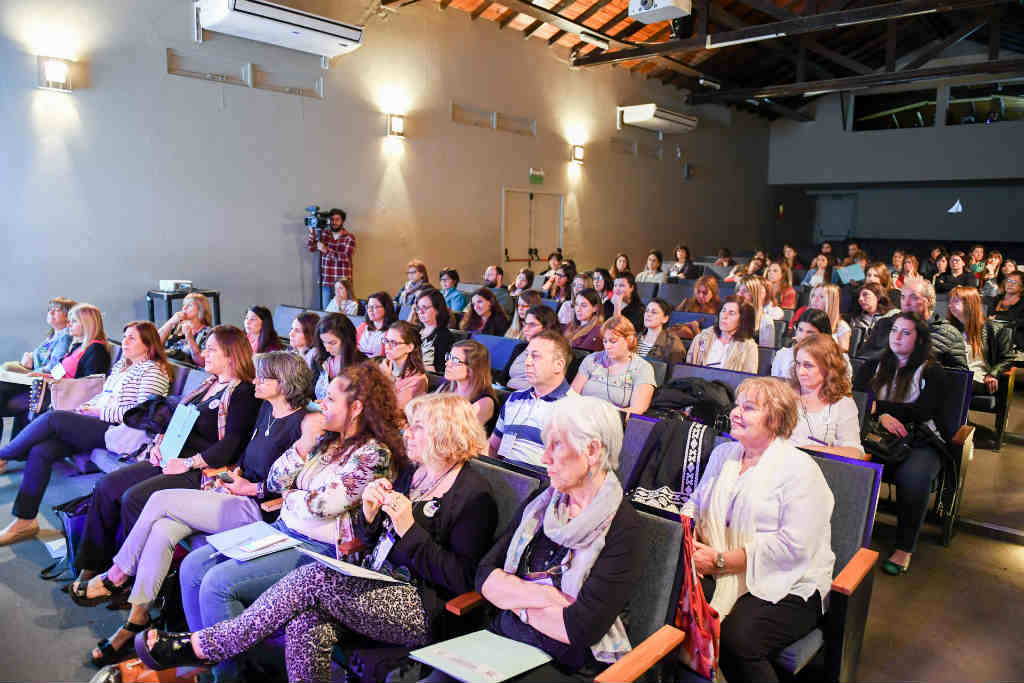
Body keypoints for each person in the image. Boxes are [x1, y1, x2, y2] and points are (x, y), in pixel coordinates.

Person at [136, 393, 499, 683]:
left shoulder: (474, 496)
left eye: (418, 428)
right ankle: (219, 652)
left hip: (421, 606)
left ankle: (208, 645)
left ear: (445, 433)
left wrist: (409, 529)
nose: (408, 434)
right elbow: (370, 540)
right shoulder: (414, 475)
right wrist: (371, 517)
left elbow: (461, 579)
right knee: (306, 623)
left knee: (315, 578)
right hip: (374, 580)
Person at [71, 351, 312, 666]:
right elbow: (246, 457)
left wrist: (248, 487)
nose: (256, 380)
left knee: (158, 500)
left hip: (260, 511)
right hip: (236, 493)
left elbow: (291, 484)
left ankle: (118, 574)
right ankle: (137, 617)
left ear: (284, 383)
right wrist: (234, 474)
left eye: (263, 377)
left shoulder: (303, 423)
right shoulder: (267, 410)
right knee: (162, 529)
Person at [177, 362, 404, 681]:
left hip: (319, 551)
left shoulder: (373, 455)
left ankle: (234, 675)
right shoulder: (325, 441)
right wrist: (302, 446)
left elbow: (324, 506)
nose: (322, 403)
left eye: (331, 399)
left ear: (356, 408)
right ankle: (216, 664)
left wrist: (293, 497)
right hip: (284, 531)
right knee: (193, 566)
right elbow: (274, 480)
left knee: (218, 584)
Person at [69, 326, 259, 584]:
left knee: (133, 498)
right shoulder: (208, 385)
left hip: (201, 469)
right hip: (171, 458)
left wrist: (187, 463)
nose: (204, 354)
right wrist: (160, 443)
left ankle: (126, 577)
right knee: (106, 486)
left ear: (231, 355)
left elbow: (230, 445)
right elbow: (177, 421)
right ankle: (91, 563)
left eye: (212, 349)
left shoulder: (243, 393)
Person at [474, 395, 643, 678]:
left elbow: (578, 628)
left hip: (564, 664)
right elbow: (484, 575)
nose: (544, 457)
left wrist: (513, 599)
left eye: (557, 445)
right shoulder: (542, 502)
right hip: (503, 639)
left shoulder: (624, 529)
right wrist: (545, 595)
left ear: (591, 451)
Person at [682, 377, 834, 683]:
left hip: (791, 580)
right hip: (720, 567)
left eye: (748, 408)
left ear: (775, 420)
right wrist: (690, 538)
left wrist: (720, 561)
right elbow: (695, 503)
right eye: (738, 405)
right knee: (672, 606)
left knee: (739, 639)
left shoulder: (799, 469)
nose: (736, 412)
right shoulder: (724, 453)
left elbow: (793, 547)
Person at [0, 322, 173, 546]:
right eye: (125, 336)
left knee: (54, 418)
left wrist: (99, 411)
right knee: (41, 451)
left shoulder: (153, 371)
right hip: (98, 422)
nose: (125, 342)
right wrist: (87, 407)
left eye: (132, 338)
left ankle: (4, 454)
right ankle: (25, 522)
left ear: (148, 345)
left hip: (119, 432)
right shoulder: (123, 366)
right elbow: (105, 396)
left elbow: (141, 414)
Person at [854, 313, 949, 575]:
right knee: (848, 461)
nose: (897, 337)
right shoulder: (873, 365)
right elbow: (859, 399)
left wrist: (879, 407)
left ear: (919, 340)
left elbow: (921, 411)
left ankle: (904, 547)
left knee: (913, 478)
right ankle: (849, 534)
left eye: (906, 333)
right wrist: (881, 415)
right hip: (876, 438)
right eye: (895, 330)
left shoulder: (932, 371)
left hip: (919, 441)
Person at [489, 330, 576, 467]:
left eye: (535, 356)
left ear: (558, 365)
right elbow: (493, 447)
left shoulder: (575, 409)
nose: (527, 362)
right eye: (527, 355)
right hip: (500, 478)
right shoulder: (515, 398)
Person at [0, 297, 75, 443]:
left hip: (42, 380)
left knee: (8, 368)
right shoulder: (52, 335)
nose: (51, 312)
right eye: (50, 309)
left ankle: (8, 454)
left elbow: (54, 367)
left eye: (57, 310)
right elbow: (38, 358)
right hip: (33, 376)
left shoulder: (65, 336)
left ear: (68, 317)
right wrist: (30, 359)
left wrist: (33, 366)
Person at [859, 279, 969, 370]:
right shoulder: (885, 324)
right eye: (903, 297)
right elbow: (863, 358)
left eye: (913, 298)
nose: (905, 303)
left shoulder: (948, 333)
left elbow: (960, 379)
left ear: (929, 301)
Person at [786, 335, 865, 460]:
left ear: (828, 367)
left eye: (808, 365)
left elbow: (855, 452)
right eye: (798, 364)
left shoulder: (843, 404)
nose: (800, 372)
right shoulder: (783, 394)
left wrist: (811, 450)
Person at [572, 317, 656, 415]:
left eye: (613, 341)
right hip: (581, 416)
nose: (607, 346)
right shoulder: (592, 359)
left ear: (629, 339)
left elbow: (637, 409)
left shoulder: (642, 368)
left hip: (613, 422)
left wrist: (603, 416)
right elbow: (572, 395)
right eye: (605, 341)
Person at [948, 286, 1014, 400]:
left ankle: (959, 418)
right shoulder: (950, 328)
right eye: (950, 301)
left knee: (956, 384)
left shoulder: (994, 329)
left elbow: (1008, 358)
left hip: (980, 378)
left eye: (955, 301)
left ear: (969, 304)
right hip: (955, 375)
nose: (949, 305)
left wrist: (992, 374)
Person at [772, 309, 851, 381]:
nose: (803, 336)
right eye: (800, 330)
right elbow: (775, 387)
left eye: (810, 333)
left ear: (823, 335)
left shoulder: (839, 359)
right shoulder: (783, 354)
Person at [686, 298, 758, 374]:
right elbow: (688, 369)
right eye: (723, 311)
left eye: (731, 313)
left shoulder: (749, 347)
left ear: (741, 320)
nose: (725, 316)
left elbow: (748, 380)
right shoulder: (702, 338)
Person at [437, 339, 498, 429]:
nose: (447, 363)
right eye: (449, 357)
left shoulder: (484, 402)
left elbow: (458, 434)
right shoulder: (446, 387)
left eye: (455, 360)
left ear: (473, 368)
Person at [503, 305, 561, 391]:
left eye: (532, 325)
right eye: (525, 324)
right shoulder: (520, 348)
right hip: (508, 393)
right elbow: (503, 378)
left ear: (547, 327)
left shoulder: (555, 353)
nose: (525, 329)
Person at [307, 208, 356, 309]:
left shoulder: (349, 237)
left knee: (342, 312)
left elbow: (345, 257)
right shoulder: (324, 234)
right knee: (326, 312)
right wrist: (312, 231)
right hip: (327, 281)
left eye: (337, 219)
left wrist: (326, 250)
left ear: (342, 221)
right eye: (332, 220)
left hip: (342, 283)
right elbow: (311, 248)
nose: (334, 222)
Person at [54, 303, 114, 380]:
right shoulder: (77, 346)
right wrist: (44, 377)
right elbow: (58, 375)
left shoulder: (96, 350)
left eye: (74, 321)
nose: (69, 325)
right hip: (59, 387)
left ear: (87, 324)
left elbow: (90, 385)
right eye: (70, 321)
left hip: (68, 390)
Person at [312, 313, 363, 401]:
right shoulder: (320, 359)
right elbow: (312, 392)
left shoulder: (361, 364)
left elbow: (360, 400)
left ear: (347, 340)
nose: (327, 348)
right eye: (323, 342)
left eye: (332, 343)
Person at [380, 321, 428, 410]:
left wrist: (388, 381)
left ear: (410, 347)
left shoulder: (417, 380)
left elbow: (396, 411)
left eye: (394, 343)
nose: (387, 346)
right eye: (386, 341)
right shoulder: (382, 366)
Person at [157, 292, 213, 364]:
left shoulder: (207, 333)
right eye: (184, 305)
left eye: (189, 305)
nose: (184, 308)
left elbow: (202, 363)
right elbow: (154, 344)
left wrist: (189, 337)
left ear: (200, 309)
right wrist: (170, 322)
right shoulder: (177, 326)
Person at [414, 288, 455, 375]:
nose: (420, 312)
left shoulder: (444, 336)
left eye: (425, 308)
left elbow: (440, 370)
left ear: (437, 309)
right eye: (418, 308)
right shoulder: (415, 331)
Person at [738, 275, 783, 347]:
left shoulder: (765, 320)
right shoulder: (732, 315)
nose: (740, 294)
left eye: (745, 291)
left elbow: (766, 353)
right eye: (739, 290)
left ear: (754, 295)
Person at [637, 298, 685, 365]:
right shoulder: (635, 338)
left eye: (654, 312)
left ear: (665, 319)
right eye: (647, 311)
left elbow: (673, 372)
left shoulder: (673, 344)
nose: (648, 314)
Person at [357, 292, 398, 358]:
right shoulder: (362, 327)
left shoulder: (393, 331)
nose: (370, 310)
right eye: (368, 307)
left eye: (375, 307)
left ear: (386, 308)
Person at [990, 270, 1024, 349]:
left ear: (1022, 286)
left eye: (1015, 282)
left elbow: (1019, 321)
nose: (1010, 284)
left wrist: (997, 318)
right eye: (1008, 281)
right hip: (995, 341)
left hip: (1017, 343)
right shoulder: (996, 299)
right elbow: (989, 317)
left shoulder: (1022, 302)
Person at [564, 288, 605, 353]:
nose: (578, 309)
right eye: (576, 304)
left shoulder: (597, 331)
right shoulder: (570, 325)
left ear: (595, 308)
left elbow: (581, 355)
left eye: (583, 305)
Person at [606, 271, 645, 335]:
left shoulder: (639, 308)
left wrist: (617, 306)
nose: (617, 289)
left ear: (631, 288)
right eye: (615, 285)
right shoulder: (608, 303)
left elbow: (620, 331)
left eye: (621, 286)